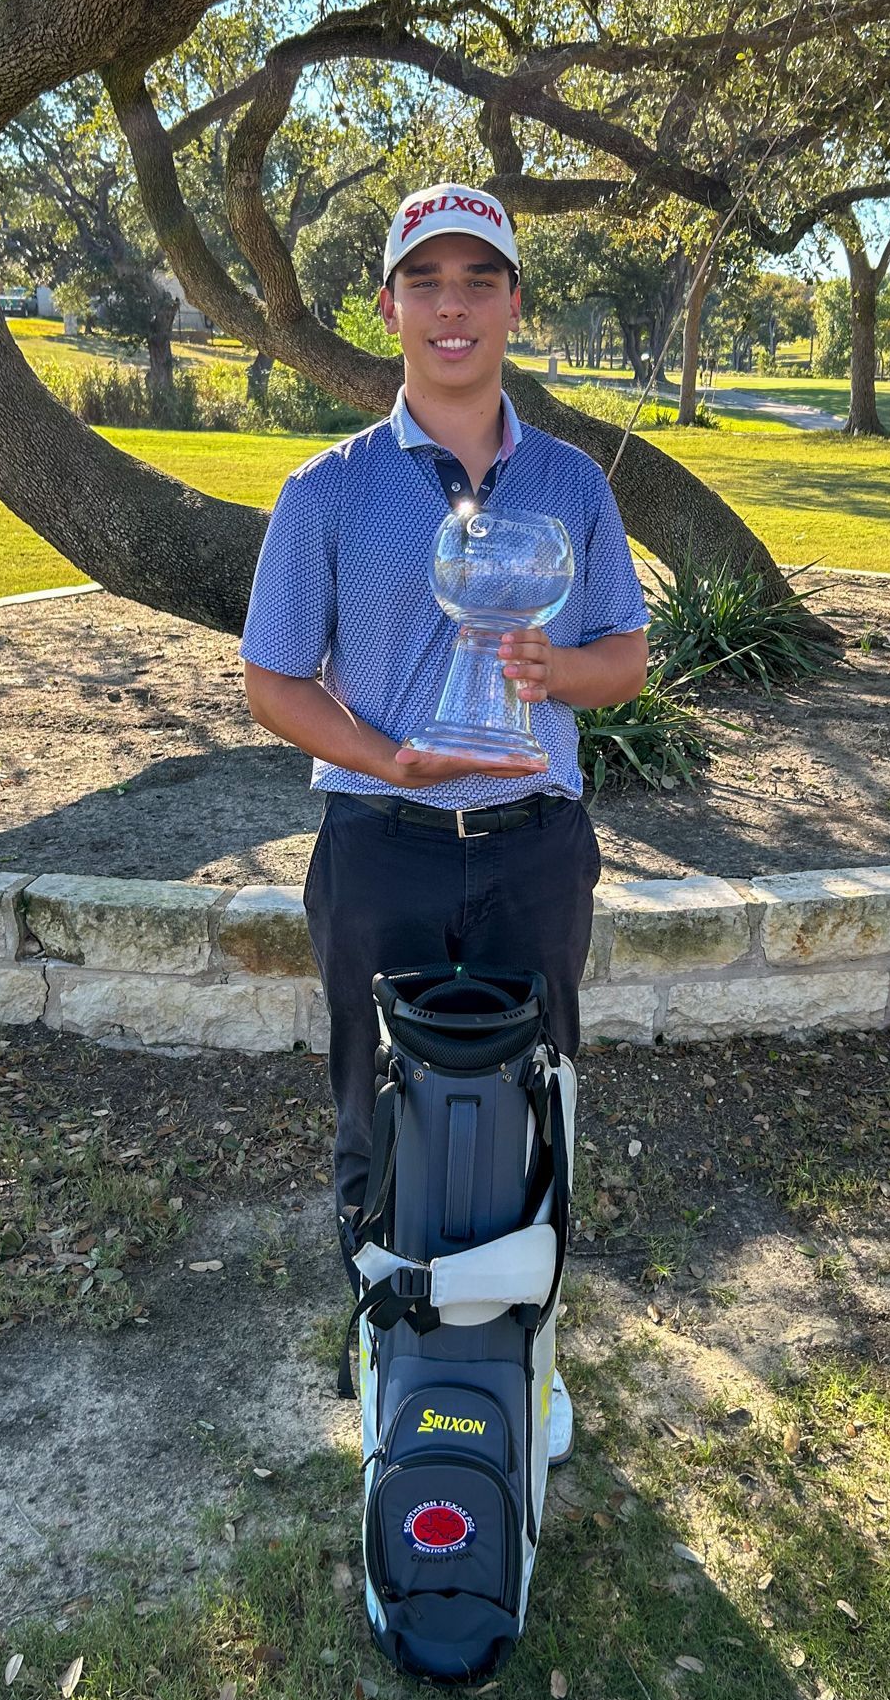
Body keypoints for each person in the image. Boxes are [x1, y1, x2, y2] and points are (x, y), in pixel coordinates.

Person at [240, 182, 649, 1461]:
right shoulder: (328, 491)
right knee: (374, 1096)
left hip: (534, 842)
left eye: (481, 278)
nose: (454, 305)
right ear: (389, 306)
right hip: (379, 845)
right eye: (428, 280)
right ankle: (383, 1317)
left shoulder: (575, 481)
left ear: (516, 302)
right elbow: (270, 678)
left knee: (543, 1090)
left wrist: (549, 673)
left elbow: (624, 655)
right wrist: (384, 759)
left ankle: (527, 1337)